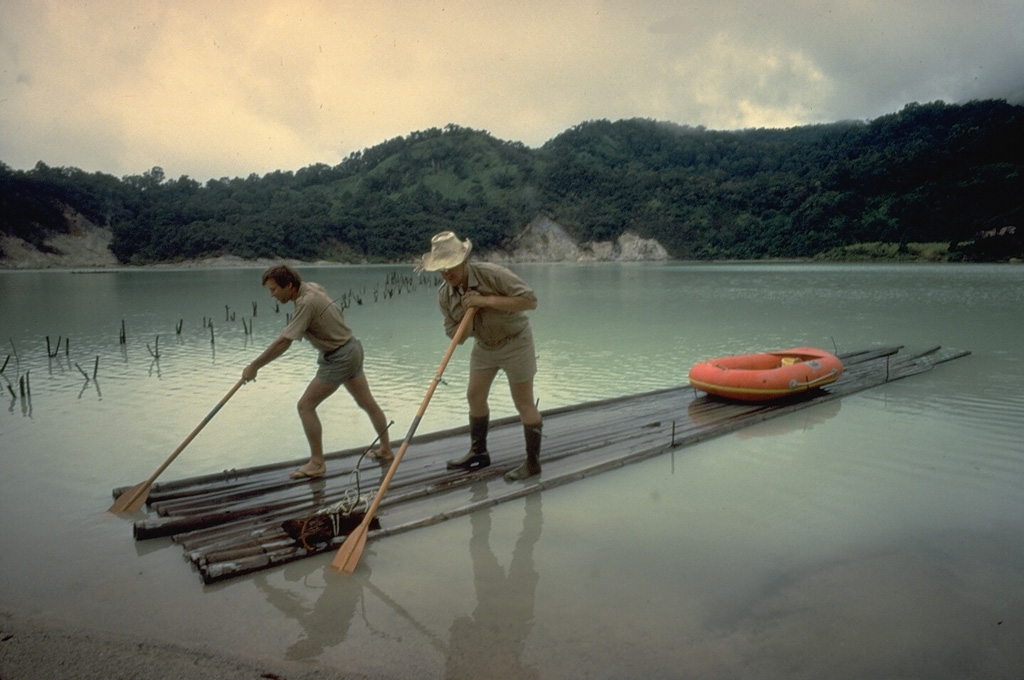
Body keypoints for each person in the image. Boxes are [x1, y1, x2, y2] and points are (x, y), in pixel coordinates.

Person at [242, 265, 392, 479]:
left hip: (340, 356)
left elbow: (284, 342)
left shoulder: (306, 302)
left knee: (305, 406)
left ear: (290, 286)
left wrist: (254, 366)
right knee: (366, 402)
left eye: (274, 290)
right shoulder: (312, 288)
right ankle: (386, 450)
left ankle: (317, 463)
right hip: (351, 347)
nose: (272, 295)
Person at [417, 231, 542, 482]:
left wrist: (485, 301)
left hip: (516, 342)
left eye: (450, 267)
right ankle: (478, 452)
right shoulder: (445, 295)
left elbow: (529, 301)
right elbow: (456, 336)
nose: (446, 274)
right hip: (485, 347)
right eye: (441, 269)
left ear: (464, 261)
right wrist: (468, 315)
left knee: (523, 403)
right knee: (474, 396)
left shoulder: (492, 274)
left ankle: (532, 463)